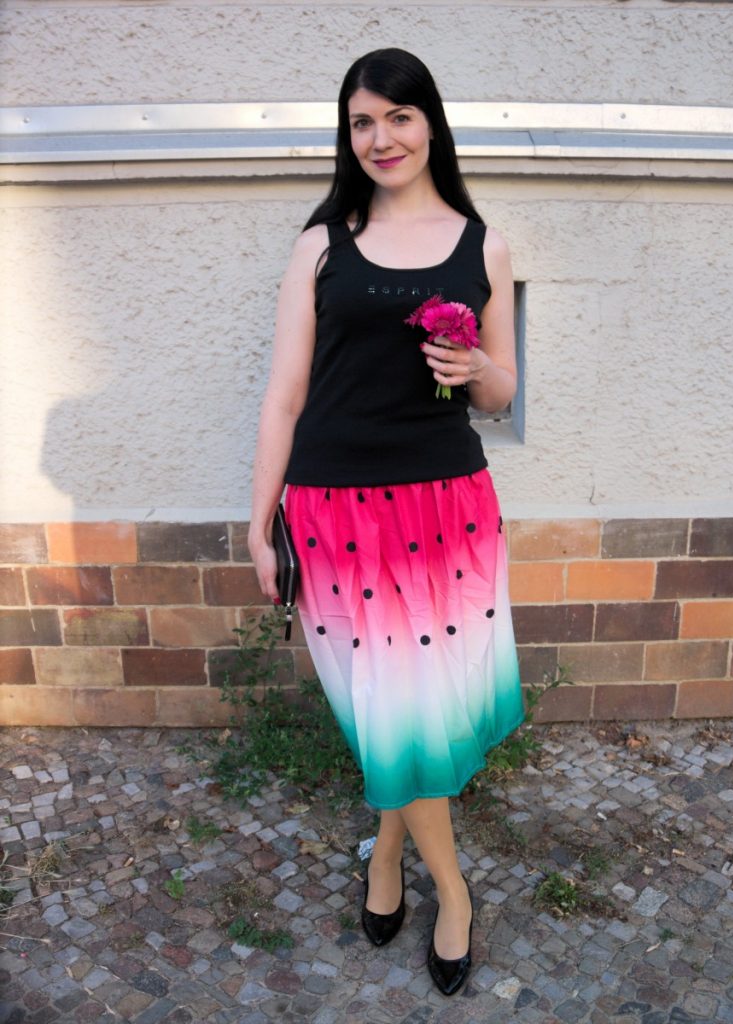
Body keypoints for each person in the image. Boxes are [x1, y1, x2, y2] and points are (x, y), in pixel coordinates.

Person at [248, 47, 525, 997]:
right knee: (390, 706)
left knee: (418, 707)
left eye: (398, 117)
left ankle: (398, 866)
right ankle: (451, 889)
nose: (381, 138)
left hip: (446, 506)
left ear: (430, 124)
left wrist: (471, 372)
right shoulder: (321, 244)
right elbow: (285, 394)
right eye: (363, 122)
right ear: (348, 136)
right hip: (333, 513)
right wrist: (259, 520)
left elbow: (502, 389)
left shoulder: (481, 243)